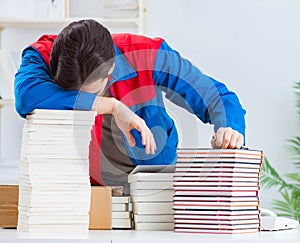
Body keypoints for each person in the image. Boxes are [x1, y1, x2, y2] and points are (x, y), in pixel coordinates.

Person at [15, 19, 246, 192]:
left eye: (89, 91)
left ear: (110, 72)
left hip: (153, 185)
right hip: (83, 189)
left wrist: (228, 128)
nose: (81, 102)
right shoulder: (40, 55)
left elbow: (217, 97)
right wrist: (112, 106)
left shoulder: (147, 53)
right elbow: (27, 97)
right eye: (71, 94)